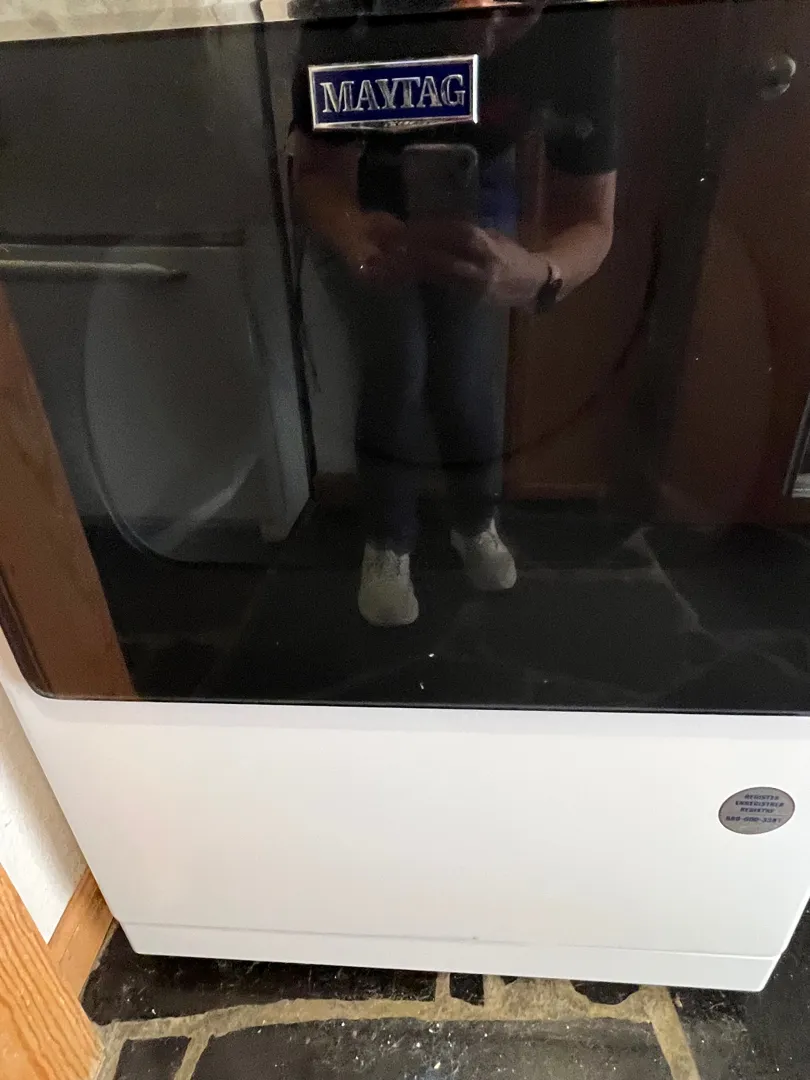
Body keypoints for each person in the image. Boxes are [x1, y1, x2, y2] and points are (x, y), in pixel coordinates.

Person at [291, 0, 618, 626]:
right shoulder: (353, 11)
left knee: (464, 376)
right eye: (458, 6)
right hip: (363, 191)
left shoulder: (581, 22)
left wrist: (539, 273)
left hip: (476, 182)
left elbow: (592, 220)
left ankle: (475, 520)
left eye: (515, 11)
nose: (483, 32)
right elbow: (317, 172)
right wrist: (354, 236)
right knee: (396, 368)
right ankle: (388, 541)